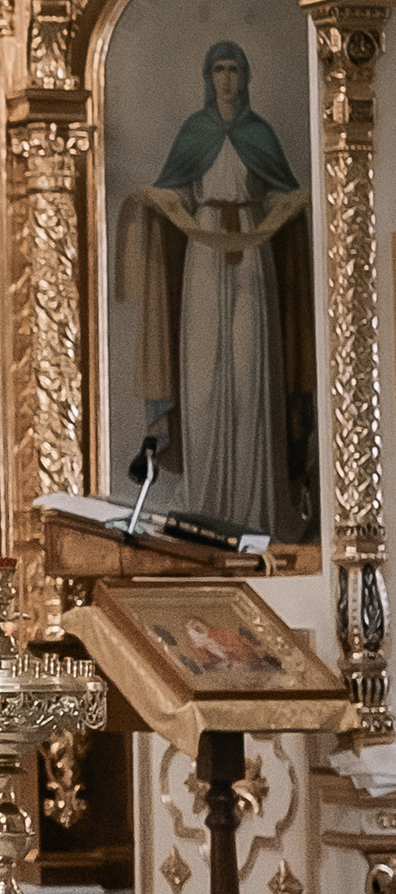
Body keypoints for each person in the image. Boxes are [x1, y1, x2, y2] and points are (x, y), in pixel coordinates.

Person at [115, 41, 315, 541]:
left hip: (253, 253)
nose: (227, 79)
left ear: (246, 77)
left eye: (235, 69)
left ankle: (256, 508)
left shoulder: (259, 133)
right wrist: (161, 198)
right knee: (203, 380)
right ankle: (204, 503)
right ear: (209, 77)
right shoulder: (194, 132)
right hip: (203, 258)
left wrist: (295, 201)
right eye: (218, 70)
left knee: (251, 376)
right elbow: (177, 190)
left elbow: (279, 192)